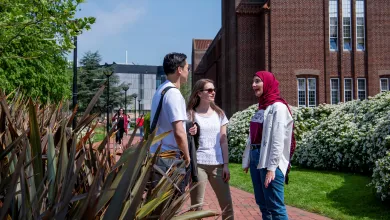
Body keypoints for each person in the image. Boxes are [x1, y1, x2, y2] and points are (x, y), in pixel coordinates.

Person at [242, 71, 294, 220]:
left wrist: (272, 168)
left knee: (275, 206)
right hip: (256, 157)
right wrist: (248, 159)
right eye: (253, 82)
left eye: (257, 81)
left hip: (270, 160)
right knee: (263, 204)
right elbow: (253, 137)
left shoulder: (278, 107)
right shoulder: (261, 107)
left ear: (268, 83)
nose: (253, 85)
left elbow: (278, 140)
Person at [149, 52, 196, 193]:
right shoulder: (174, 94)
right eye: (187, 68)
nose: (189, 71)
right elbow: (178, 131)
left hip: (158, 156)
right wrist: (187, 158)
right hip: (170, 160)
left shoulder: (161, 90)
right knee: (171, 203)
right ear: (179, 70)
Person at [187, 79, 234, 219]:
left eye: (214, 90)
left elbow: (223, 140)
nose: (213, 92)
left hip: (218, 165)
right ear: (199, 93)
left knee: (227, 205)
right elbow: (184, 137)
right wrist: (190, 131)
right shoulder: (190, 114)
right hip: (199, 164)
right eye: (209, 90)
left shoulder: (219, 114)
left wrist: (226, 165)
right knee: (197, 207)